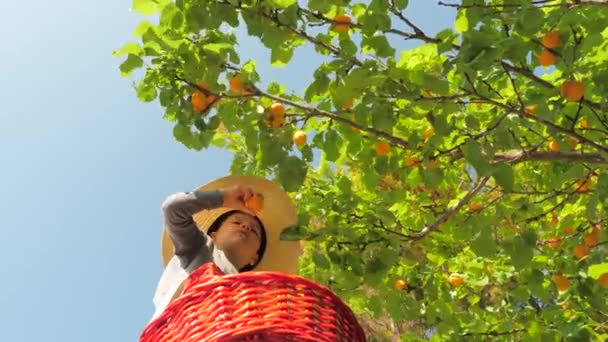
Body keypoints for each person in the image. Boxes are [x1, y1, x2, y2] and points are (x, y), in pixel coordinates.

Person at [149, 175, 301, 322]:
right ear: (213, 235)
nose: (245, 226)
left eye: (255, 231)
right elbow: (173, 209)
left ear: (254, 257)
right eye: (236, 222)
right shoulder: (198, 248)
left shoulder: (251, 296)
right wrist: (223, 198)